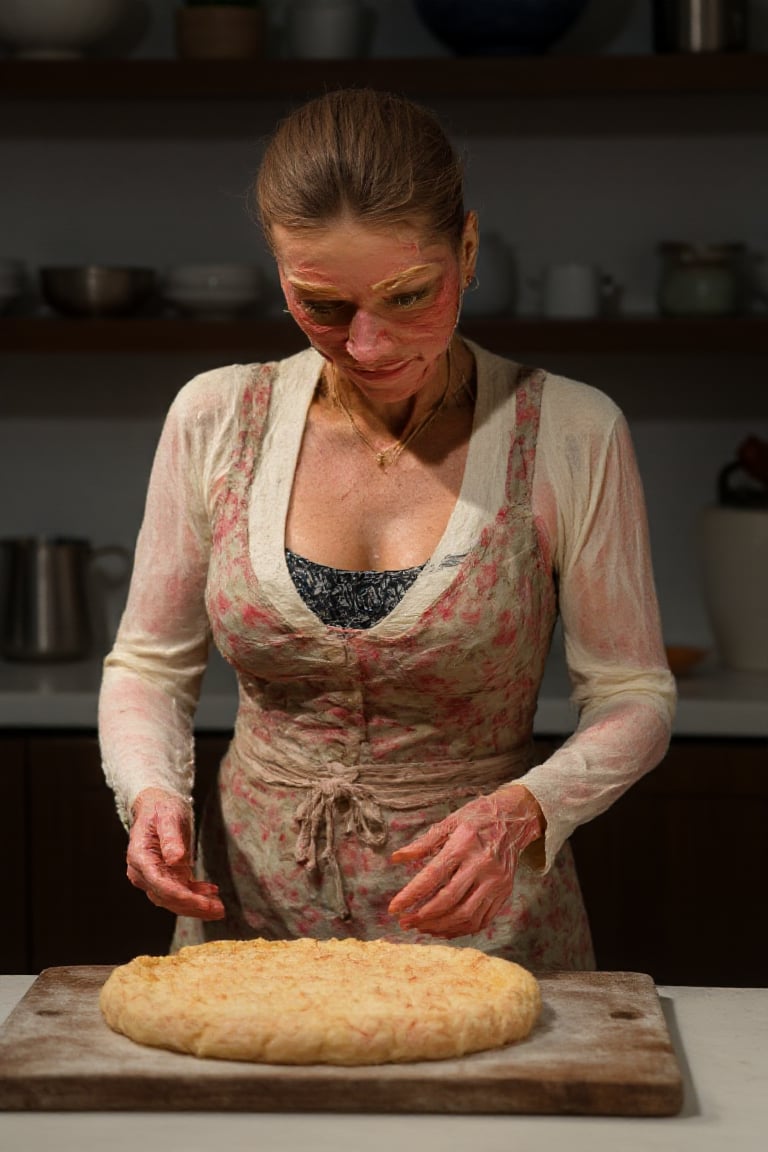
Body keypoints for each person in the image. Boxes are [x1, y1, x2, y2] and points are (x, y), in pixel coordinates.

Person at [98, 88, 675, 971]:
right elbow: (148, 662)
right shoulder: (217, 417)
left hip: (484, 920)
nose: (368, 344)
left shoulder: (567, 431)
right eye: (322, 305)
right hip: (254, 913)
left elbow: (634, 693)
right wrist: (148, 794)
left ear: (469, 250)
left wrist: (521, 811)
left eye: (409, 296)